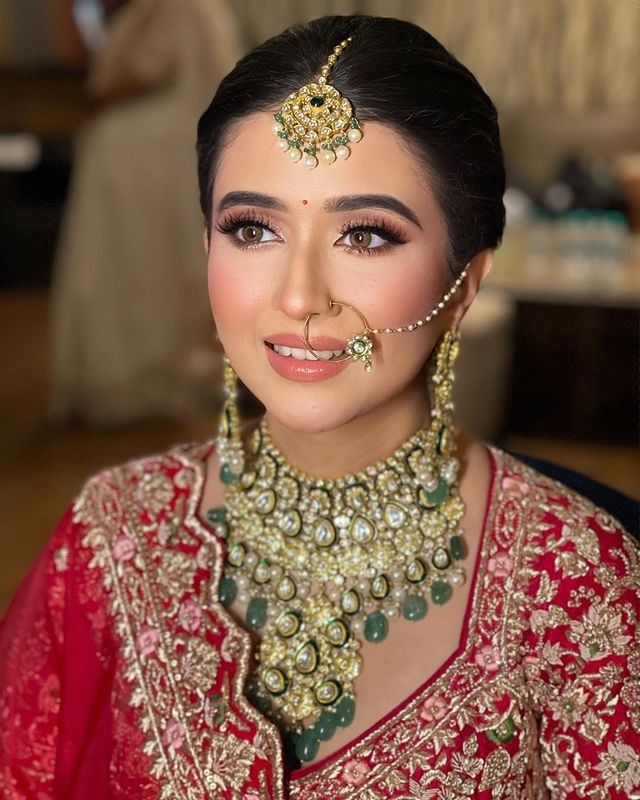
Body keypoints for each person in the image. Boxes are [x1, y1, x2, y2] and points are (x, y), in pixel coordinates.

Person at [1, 15, 638, 799]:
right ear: (206, 247)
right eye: (252, 228)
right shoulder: (109, 537)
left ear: (463, 284)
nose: (299, 296)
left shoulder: (578, 586)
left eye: (366, 236)